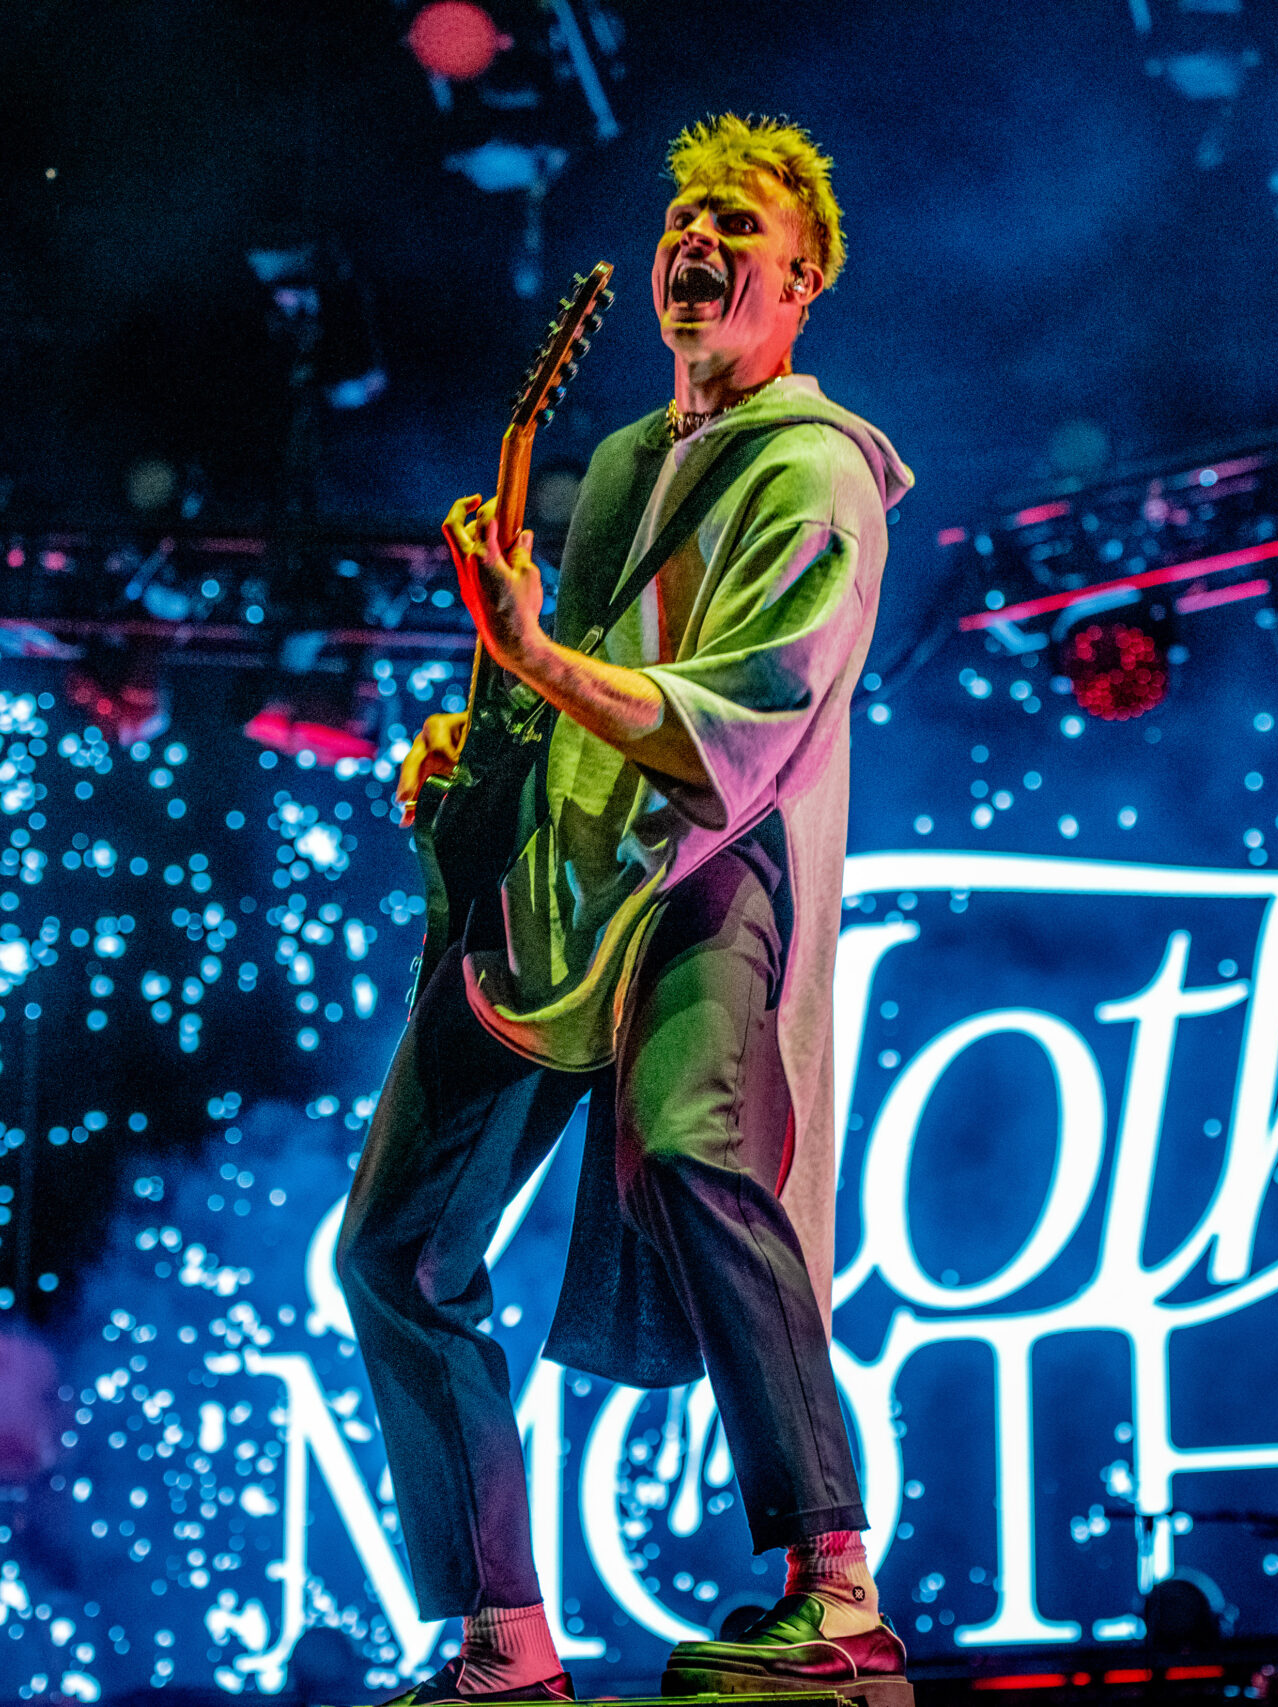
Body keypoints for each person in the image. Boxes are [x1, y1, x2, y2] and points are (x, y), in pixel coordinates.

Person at [337, 112, 913, 1706]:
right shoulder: (613, 483)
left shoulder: (815, 472)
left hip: (700, 876)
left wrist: (536, 662)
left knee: (697, 1150)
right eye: (684, 215)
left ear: (799, 281)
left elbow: (729, 726)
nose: (697, 238)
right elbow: (565, 705)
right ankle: (501, 1639)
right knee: (392, 1249)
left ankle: (835, 1587)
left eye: (737, 222)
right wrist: (484, 751)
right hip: (550, 901)